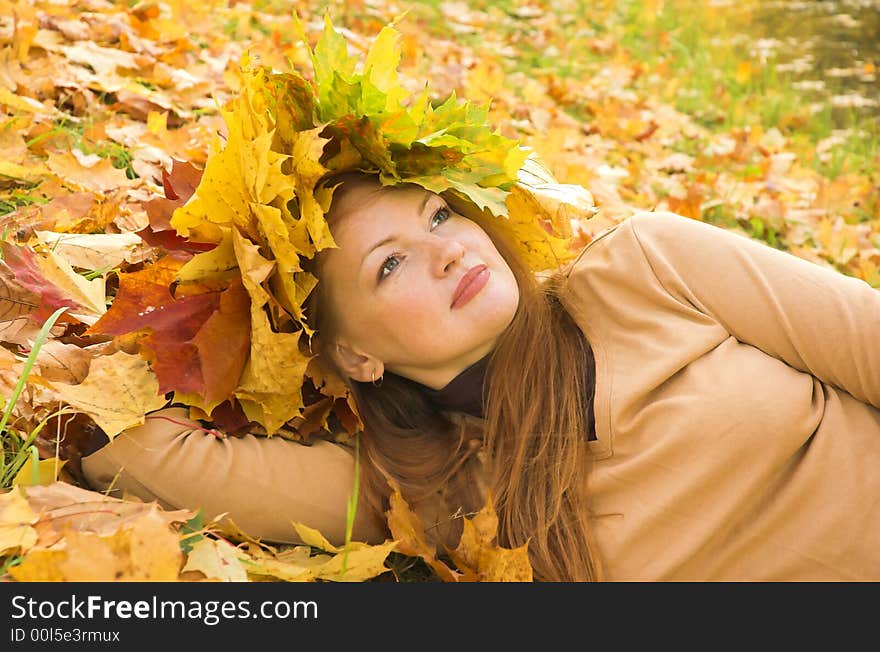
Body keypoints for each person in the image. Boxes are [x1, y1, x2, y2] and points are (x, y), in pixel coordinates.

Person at [82, 171, 880, 582]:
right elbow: (133, 450)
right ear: (355, 356)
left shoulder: (649, 267)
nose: (448, 249)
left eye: (439, 215)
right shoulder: (428, 487)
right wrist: (156, 327)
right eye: (391, 265)